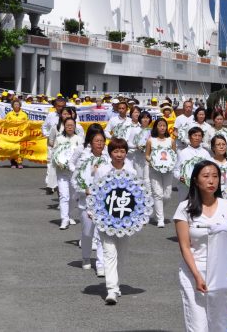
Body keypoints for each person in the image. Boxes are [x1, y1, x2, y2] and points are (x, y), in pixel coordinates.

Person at [174, 160, 227, 331]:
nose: (211, 181)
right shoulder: (184, 209)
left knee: (221, 324)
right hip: (194, 272)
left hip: (222, 273)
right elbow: (185, 246)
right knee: (198, 326)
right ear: (195, 180)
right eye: (206, 176)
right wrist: (196, 276)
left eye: (215, 176)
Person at [94, 137, 137, 305]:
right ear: (110, 153)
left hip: (125, 220)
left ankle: (116, 285)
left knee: (122, 254)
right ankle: (111, 290)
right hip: (106, 218)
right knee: (109, 253)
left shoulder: (131, 171)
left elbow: (138, 195)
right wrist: (94, 211)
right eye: (116, 151)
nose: (119, 155)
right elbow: (96, 192)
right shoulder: (103, 170)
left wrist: (139, 217)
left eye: (122, 151)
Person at [72, 125, 108, 274]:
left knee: (101, 234)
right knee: (87, 233)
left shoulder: (108, 159)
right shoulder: (84, 159)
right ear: (91, 143)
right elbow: (75, 179)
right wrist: (84, 189)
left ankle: (101, 264)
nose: (99, 144)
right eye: (96, 141)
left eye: (102, 141)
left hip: (103, 203)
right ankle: (86, 257)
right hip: (86, 202)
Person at [53, 117, 84, 229]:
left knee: (74, 196)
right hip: (62, 171)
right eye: (67, 125)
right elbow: (55, 153)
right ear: (64, 127)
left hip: (74, 172)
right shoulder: (59, 138)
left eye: (71, 125)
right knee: (64, 196)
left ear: (75, 126)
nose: (69, 127)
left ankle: (69, 215)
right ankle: (64, 219)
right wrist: (58, 162)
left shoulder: (79, 139)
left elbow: (82, 155)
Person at [146, 118, 177, 228]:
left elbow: (174, 155)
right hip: (154, 170)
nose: (162, 127)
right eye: (160, 125)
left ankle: (157, 212)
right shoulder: (151, 140)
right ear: (156, 127)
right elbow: (147, 155)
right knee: (157, 193)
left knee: (167, 195)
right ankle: (160, 219)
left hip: (168, 171)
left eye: (164, 125)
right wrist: (151, 161)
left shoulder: (171, 141)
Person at [174, 127, 212, 202]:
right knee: (184, 208)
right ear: (189, 137)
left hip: (201, 187)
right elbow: (176, 170)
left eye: (199, 136)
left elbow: (210, 169)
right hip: (185, 187)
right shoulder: (183, 153)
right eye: (195, 135)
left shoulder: (205, 153)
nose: (197, 138)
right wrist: (179, 177)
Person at [42, 97, 66, 193]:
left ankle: (61, 184)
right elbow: (44, 127)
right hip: (53, 143)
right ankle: (50, 185)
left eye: (63, 106)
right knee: (51, 164)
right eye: (59, 106)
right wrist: (49, 136)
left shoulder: (69, 116)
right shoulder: (51, 115)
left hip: (65, 145)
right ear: (55, 106)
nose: (60, 108)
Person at [5, 100, 28, 168]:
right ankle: (13, 163)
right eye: (15, 104)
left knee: (20, 148)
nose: (16, 106)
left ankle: (20, 162)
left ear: (20, 105)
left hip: (21, 134)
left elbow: (27, 123)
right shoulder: (9, 114)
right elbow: (5, 122)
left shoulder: (24, 114)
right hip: (12, 134)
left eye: (17, 104)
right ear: (12, 106)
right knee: (12, 148)